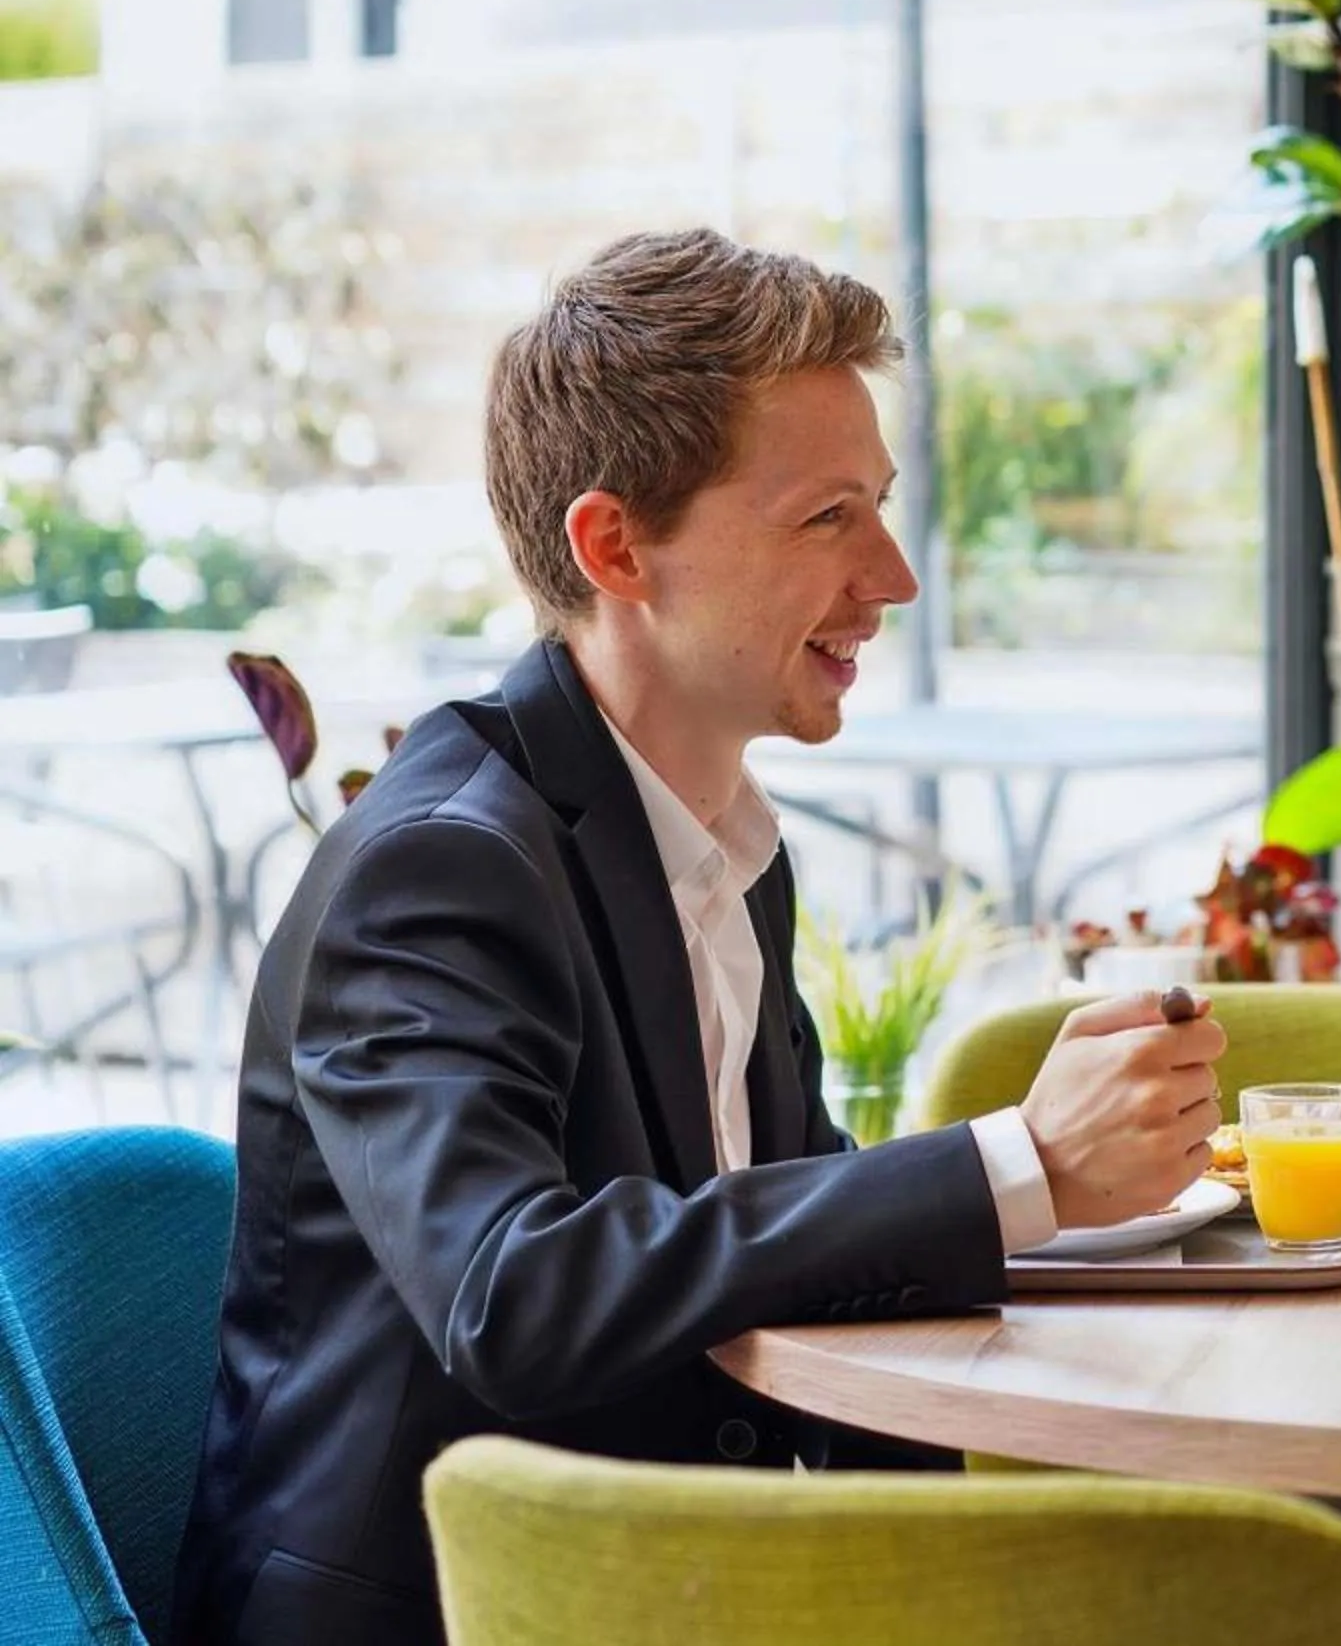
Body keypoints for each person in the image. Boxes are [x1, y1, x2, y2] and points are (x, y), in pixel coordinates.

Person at [176, 231, 1225, 1646]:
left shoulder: (713, 831)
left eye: (882, 508)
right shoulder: (441, 867)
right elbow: (514, 1289)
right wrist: (1016, 1166)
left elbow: (775, 1204)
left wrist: (1105, 1205)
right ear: (616, 547)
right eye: (827, 518)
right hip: (470, 1614)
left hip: (680, 1581)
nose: (896, 576)